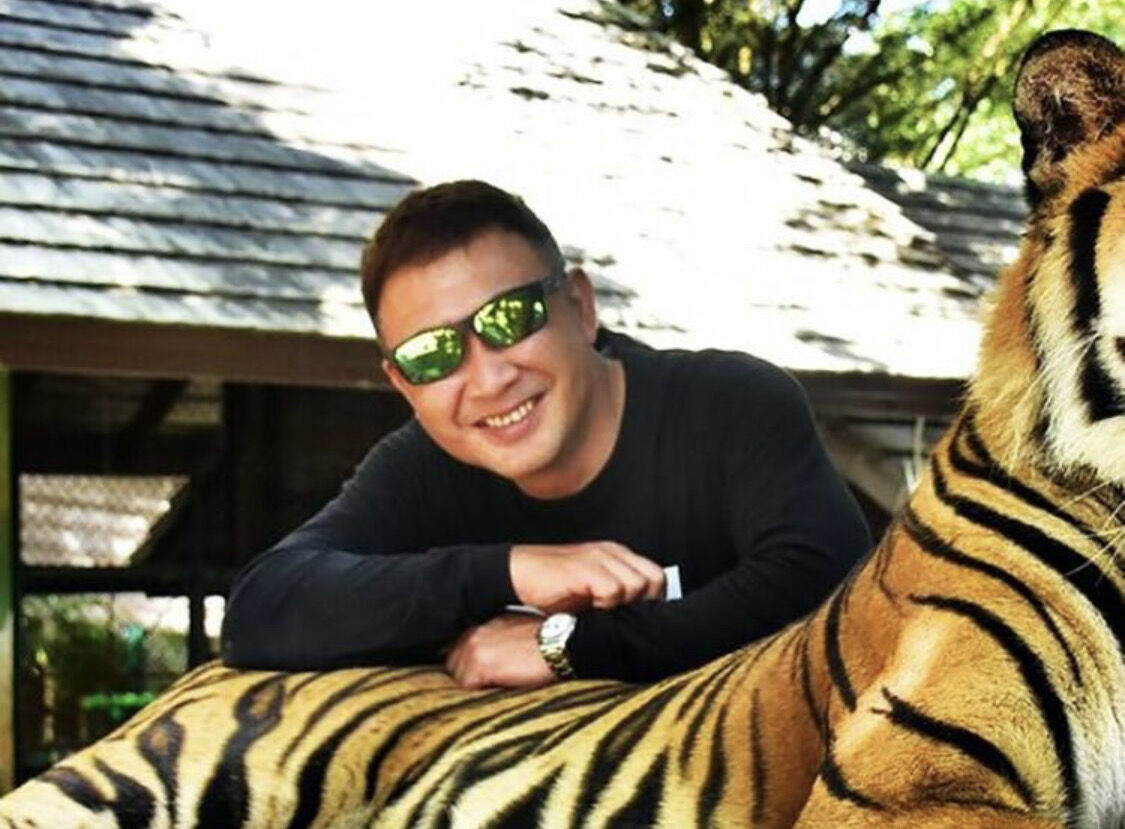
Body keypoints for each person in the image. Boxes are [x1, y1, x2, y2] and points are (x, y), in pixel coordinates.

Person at [220, 180, 870, 686]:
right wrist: (507, 570)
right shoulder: (420, 468)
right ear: (403, 385)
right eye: (431, 354)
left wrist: (567, 646)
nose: (488, 378)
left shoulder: (726, 401)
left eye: (509, 318)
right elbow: (262, 608)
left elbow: (825, 579)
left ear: (581, 308)